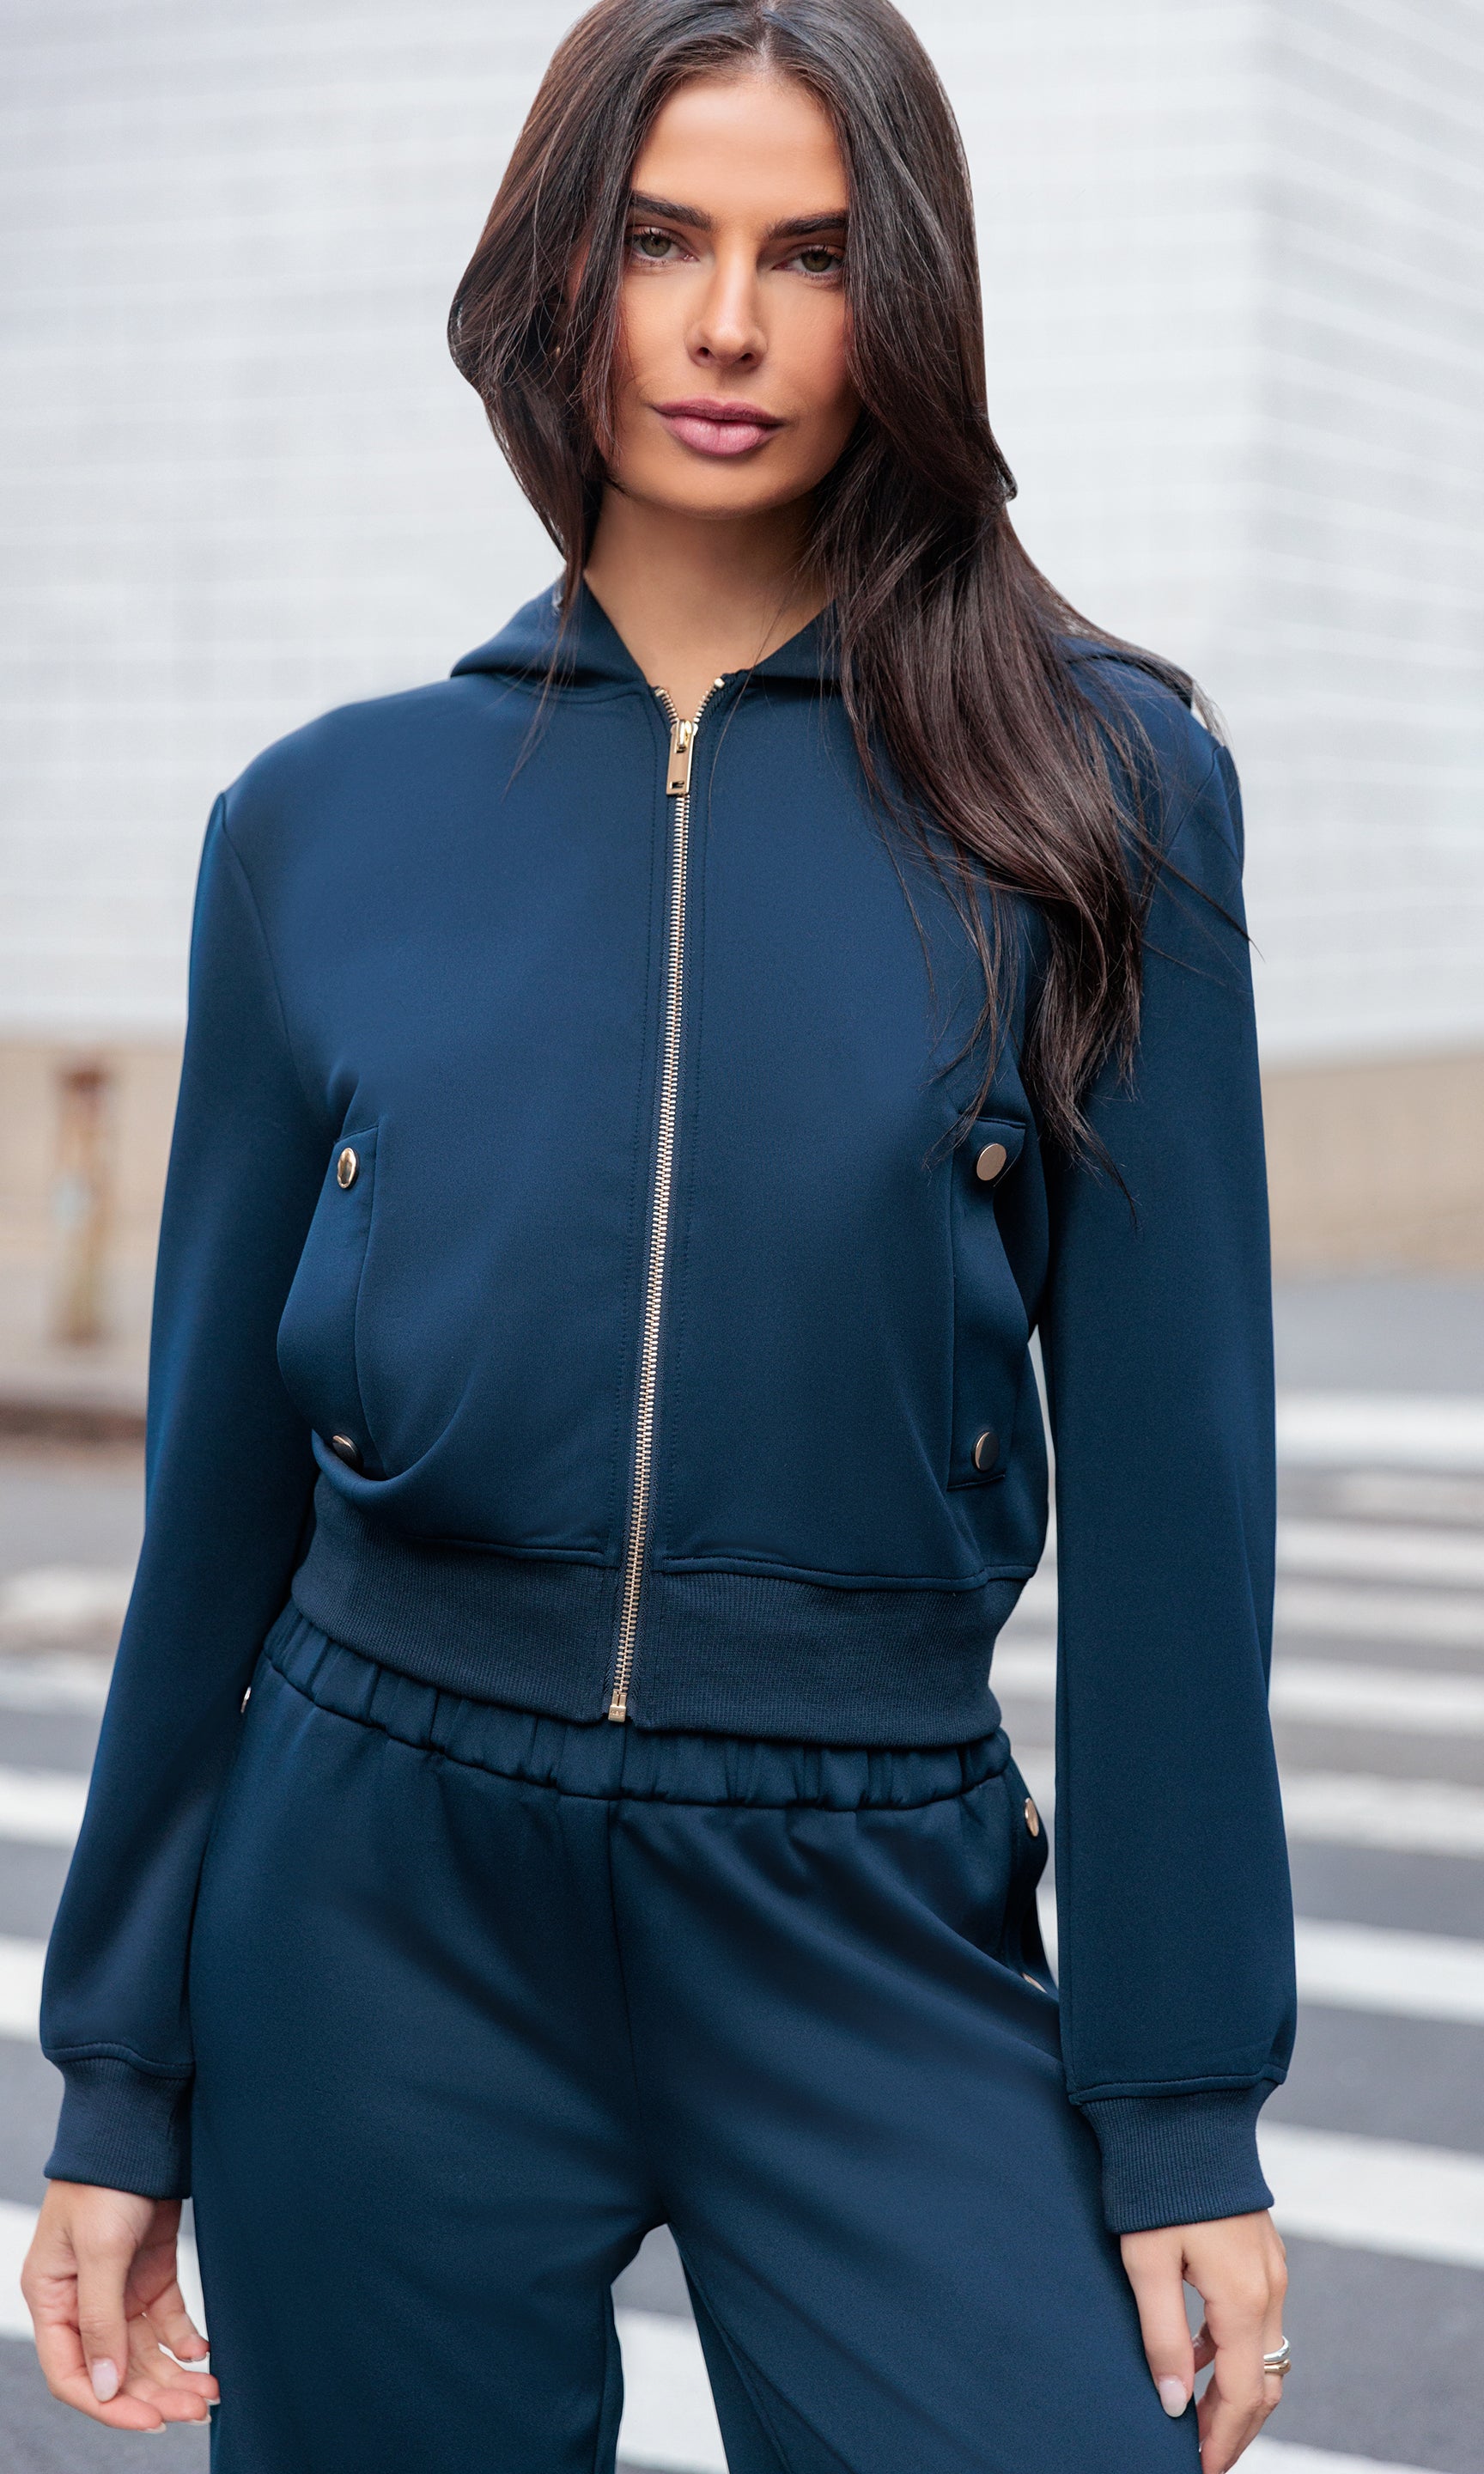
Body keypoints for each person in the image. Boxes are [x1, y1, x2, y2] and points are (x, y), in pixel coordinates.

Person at [23, 2, 1296, 2466]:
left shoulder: (1098, 794)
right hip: (372, 1892)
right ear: (555, 280)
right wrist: (118, 2074)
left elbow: (1174, 1490)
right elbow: (216, 1508)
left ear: (902, 299)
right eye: (661, 241)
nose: (728, 326)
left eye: (813, 255)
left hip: (861, 1886)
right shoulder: (326, 825)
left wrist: (1180, 2099)